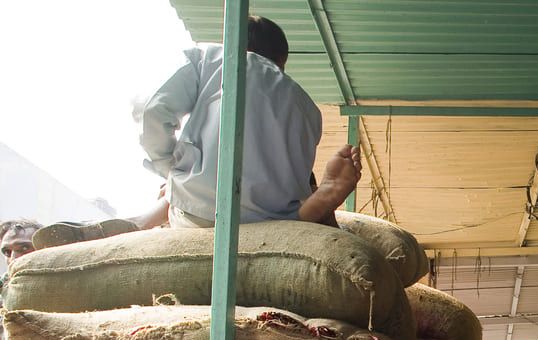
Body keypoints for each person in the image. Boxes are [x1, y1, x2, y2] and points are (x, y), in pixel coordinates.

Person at [33, 15, 361, 248]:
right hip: (276, 222)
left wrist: (170, 166)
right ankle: (314, 207)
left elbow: (151, 108)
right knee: (199, 187)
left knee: (181, 188)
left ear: (231, 41)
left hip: (201, 214)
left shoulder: (210, 58)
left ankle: (137, 224)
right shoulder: (308, 108)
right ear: (281, 61)